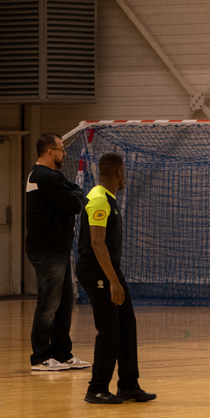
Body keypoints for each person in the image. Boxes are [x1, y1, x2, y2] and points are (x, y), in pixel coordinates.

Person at [76, 153, 155, 404]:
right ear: (119, 173)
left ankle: (129, 385)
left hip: (108, 267)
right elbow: (97, 244)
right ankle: (97, 388)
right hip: (96, 268)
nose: (125, 176)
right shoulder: (99, 199)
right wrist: (113, 281)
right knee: (109, 327)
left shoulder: (109, 198)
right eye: (124, 171)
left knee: (127, 324)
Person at [25, 133, 90, 372]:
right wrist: (75, 196)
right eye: (62, 149)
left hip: (58, 249)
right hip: (46, 249)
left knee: (65, 304)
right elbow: (75, 203)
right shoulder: (43, 176)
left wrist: (75, 195)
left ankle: (62, 354)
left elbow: (77, 193)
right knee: (49, 305)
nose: (65, 153)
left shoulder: (53, 176)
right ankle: (41, 357)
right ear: (50, 152)